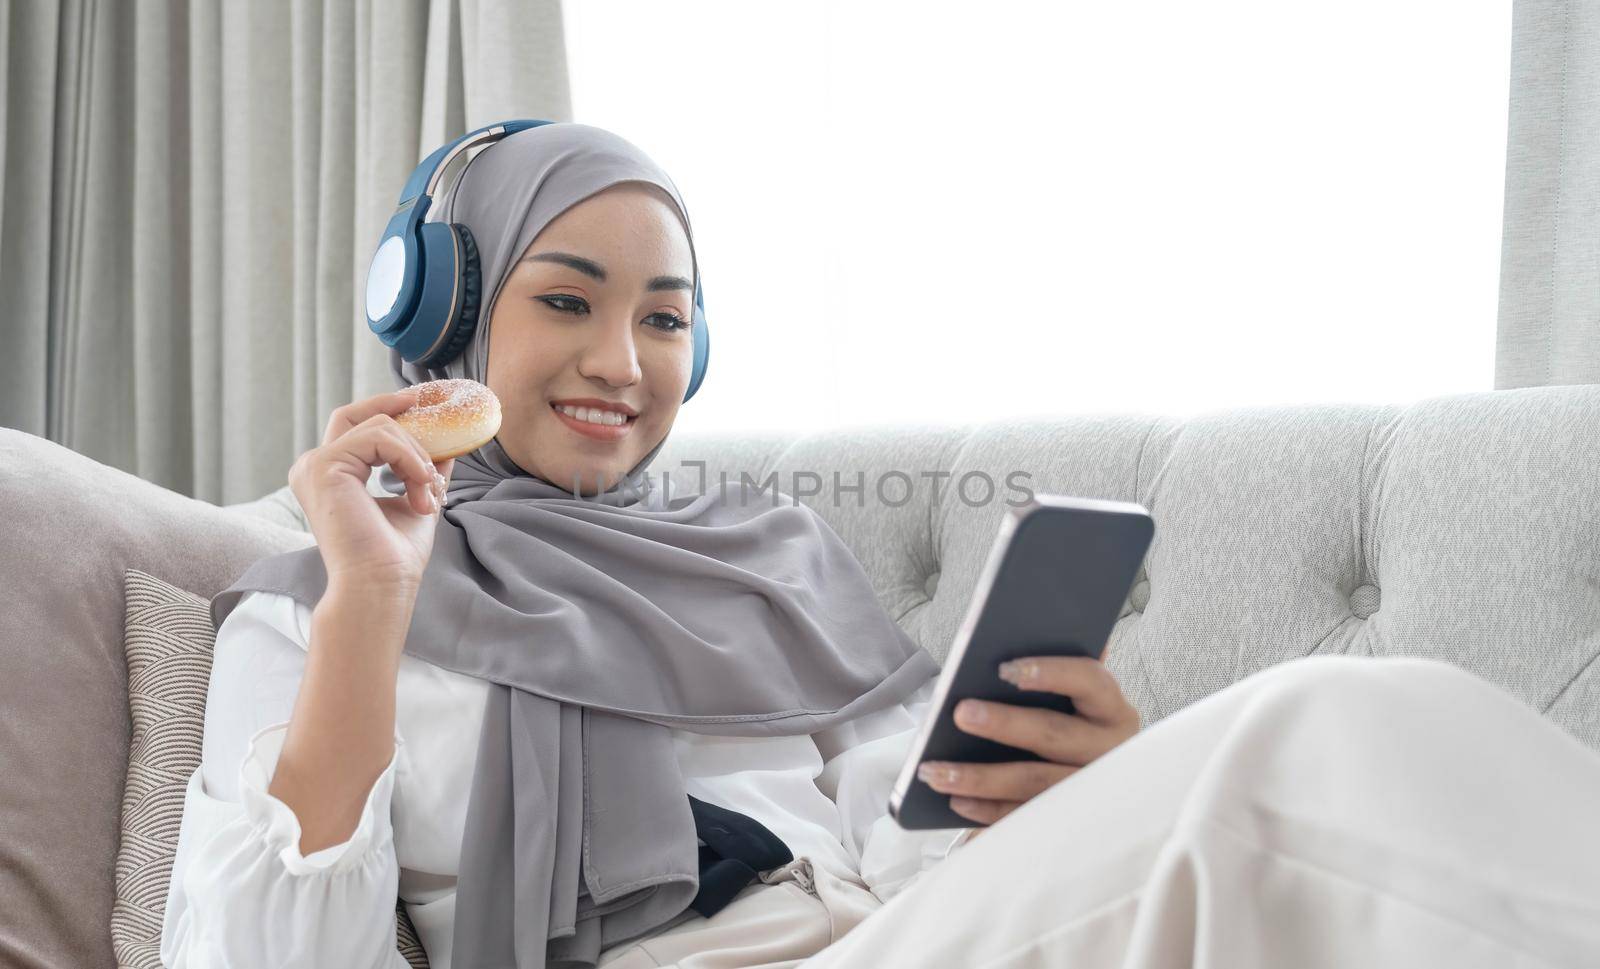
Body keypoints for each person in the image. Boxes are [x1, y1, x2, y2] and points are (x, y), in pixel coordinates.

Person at [160, 123, 1600, 969]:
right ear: (444, 314)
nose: (624, 358)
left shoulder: (765, 567)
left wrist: (1068, 788)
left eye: (666, 318)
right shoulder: (309, 613)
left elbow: (899, 853)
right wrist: (375, 598)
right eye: (569, 300)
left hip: (889, 937)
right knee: (1316, 732)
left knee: (1347, 734)